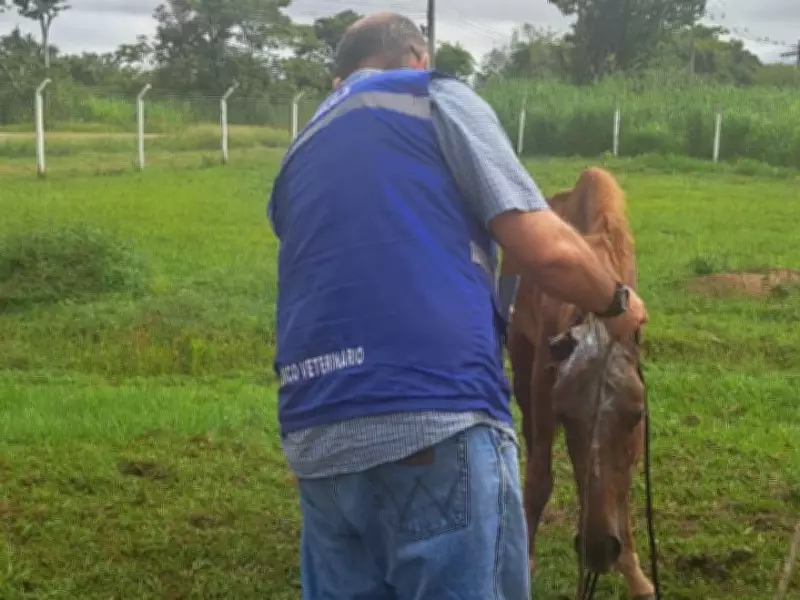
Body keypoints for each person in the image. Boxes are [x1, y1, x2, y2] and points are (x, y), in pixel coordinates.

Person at [266, 12, 647, 600]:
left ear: (337, 78)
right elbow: (544, 250)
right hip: (433, 419)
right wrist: (616, 299)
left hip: (315, 438)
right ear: (418, 56)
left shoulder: (300, 151)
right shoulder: (431, 97)